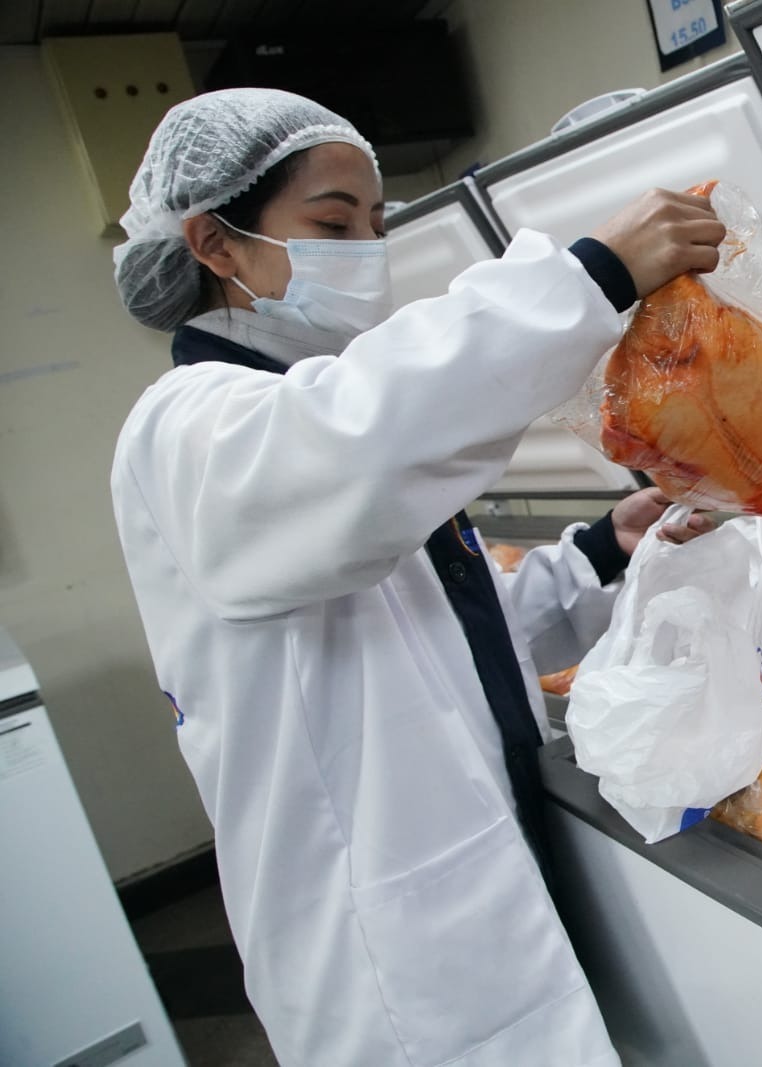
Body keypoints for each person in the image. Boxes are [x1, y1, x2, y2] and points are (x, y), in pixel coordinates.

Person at [109, 88, 725, 1066]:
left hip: (485, 868)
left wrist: (604, 547)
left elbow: (447, 636)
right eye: (330, 220)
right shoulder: (188, 426)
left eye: (375, 219)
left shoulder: (303, 411)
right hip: (391, 956)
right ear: (214, 244)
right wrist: (593, 276)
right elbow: (365, 445)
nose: (366, 245)